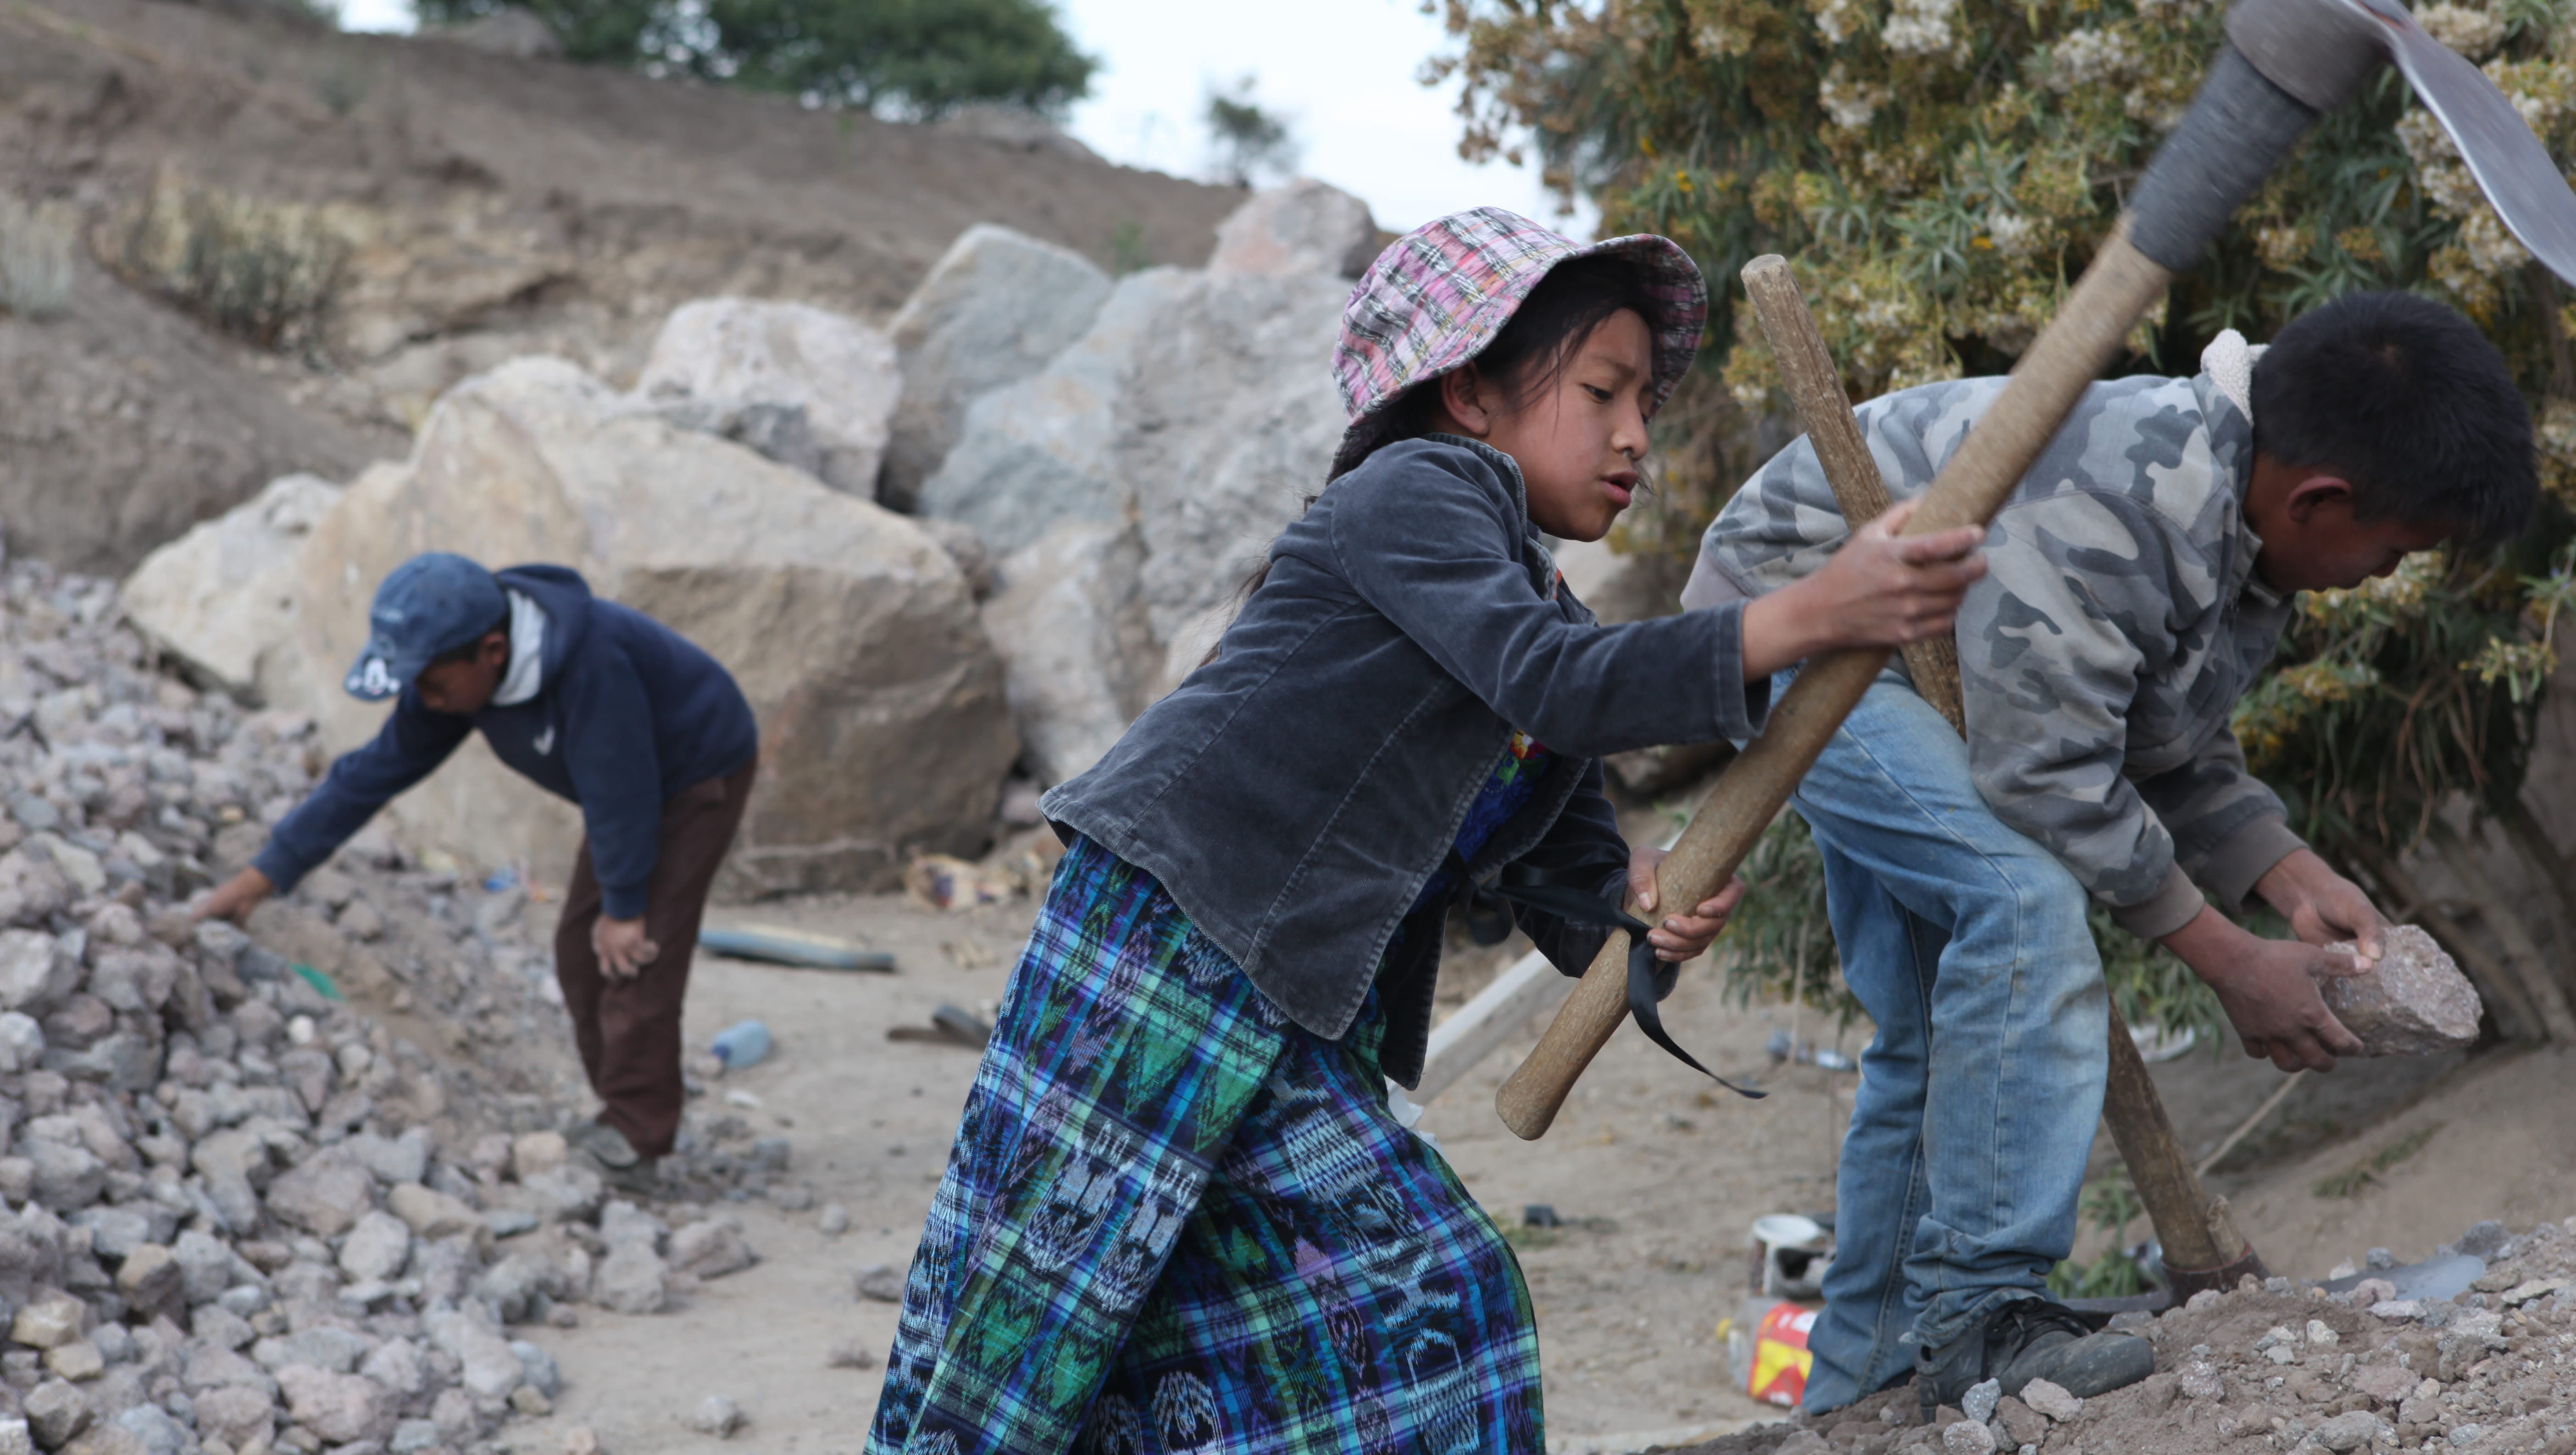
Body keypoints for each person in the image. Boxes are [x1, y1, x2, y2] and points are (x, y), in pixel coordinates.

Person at [865, 207, 1990, 1455]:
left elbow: (1572, 893)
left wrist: (1647, 901)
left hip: (1292, 1015)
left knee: (1261, 1324)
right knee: (1078, 1313)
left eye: (1647, 409)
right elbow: (1558, 682)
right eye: (1605, 391)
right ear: (1468, 393)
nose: (1635, 436)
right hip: (1168, 956)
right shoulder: (1413, 495)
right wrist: (1810, 613)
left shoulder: (1530, 601)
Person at [1691, 292, 2537, 1415]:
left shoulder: (2243, 520)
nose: (2379, 577)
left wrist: (2283, 869)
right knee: (2024, 904)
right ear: (2320, 498)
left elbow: (2155, 732)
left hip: (1943, 660)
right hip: (1805, 628)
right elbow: (2048, 775)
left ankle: (1864, 1377)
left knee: (1936, 1026)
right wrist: (2228, 957)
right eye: (2392, 554)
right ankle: (1981, 1313)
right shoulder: (2121, 499)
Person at [190, 553, 760, 1178]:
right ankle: (617, 1112)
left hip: (693, 776)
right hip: (623, 790)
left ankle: (635, 1135)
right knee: (579, 953)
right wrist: (261, 878)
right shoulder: (451, 682)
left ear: (491, 651)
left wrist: (627, 908)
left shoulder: (592, 667)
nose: (426, 701)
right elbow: (371, 775)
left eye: (433, 685)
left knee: (634, 955)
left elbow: (622, 793)